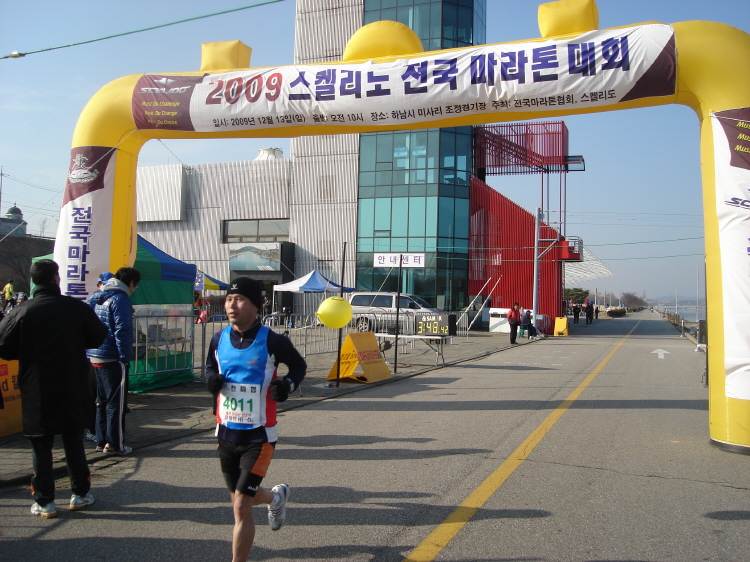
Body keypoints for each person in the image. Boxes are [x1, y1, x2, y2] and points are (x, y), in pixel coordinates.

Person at [205, 277, 307, 561]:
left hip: (259, 436)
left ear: (256, 305)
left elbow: (298, 366)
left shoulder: (273, 341)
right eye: (229, 299)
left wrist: (286, 386)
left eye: (239, 300)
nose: (231, 305)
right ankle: (276, 498)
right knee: (240, 499)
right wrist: (211, 380)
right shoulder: (218, 338)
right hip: (226, 432)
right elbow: (210, 367)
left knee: (241, 506)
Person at [0, 259, 107, 518]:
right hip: (72, 383)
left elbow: (3, 345)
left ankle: (44, 500)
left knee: (41, 444)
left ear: (33, 281)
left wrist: (25, 351)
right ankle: (80, 493)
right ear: (55, 278)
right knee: (73, 441)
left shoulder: (21, 311)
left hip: (36, 385)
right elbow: (99, 335)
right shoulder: (76, 308)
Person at [87, 267, 140, 456]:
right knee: (115, 403)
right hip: (112, 357)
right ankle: (115, 444)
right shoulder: (121, 299)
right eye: (135, 286)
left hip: (95, 355)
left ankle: (100, 440)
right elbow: (122, 330)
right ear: (131, 283)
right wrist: (125, 358)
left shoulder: (97, 296)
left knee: (100, 401)